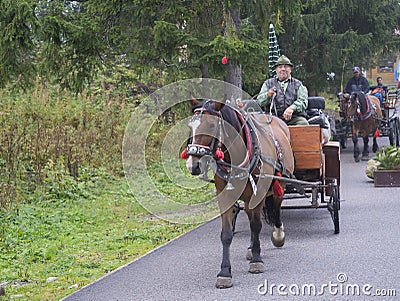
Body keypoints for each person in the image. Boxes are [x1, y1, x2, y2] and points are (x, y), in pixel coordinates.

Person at [256, 55, 309, 125]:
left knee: (303, 124)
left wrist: (292, 108)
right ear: (276, 70)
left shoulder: (298, 84)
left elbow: (303, 101)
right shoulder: (268, 83)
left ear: (290, 69)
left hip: (294, 118)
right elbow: (259, 101)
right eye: (280, 67)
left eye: (286, 66)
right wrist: (268, 95)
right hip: (272, 118)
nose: (283, 69)